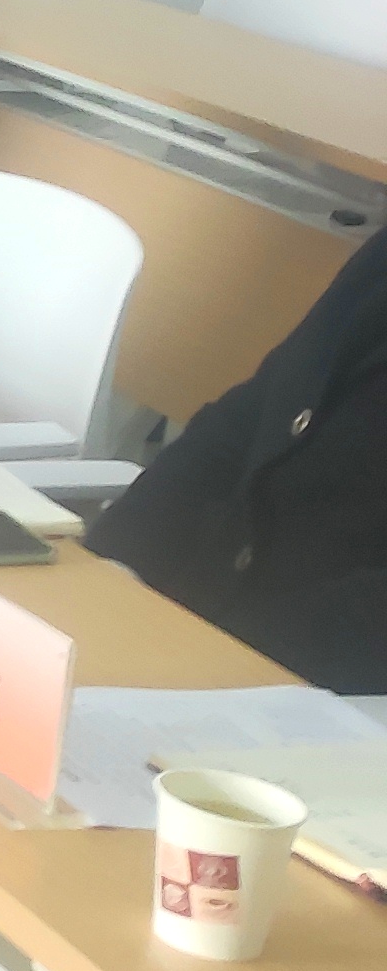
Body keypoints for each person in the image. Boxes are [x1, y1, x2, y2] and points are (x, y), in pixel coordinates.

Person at [89, 227, 387, 689]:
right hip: (195, 635)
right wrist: (109, 573)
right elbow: (244, 421)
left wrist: (214, 659)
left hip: (311, 685)